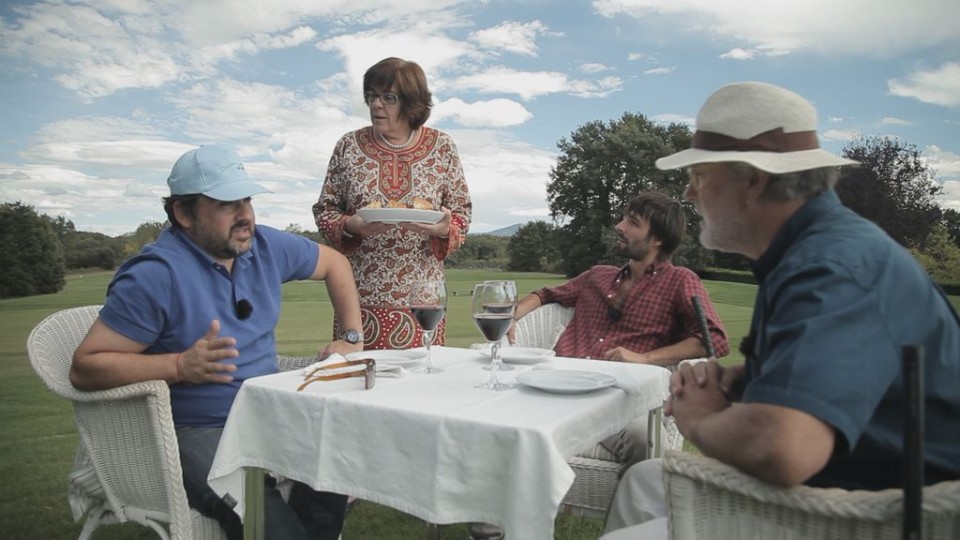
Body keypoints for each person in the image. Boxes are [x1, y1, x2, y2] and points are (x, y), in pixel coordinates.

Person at [602, 82, 960, 538]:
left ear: (752, 182)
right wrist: (745, 382)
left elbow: (785, 448)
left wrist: (700, 417)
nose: (690, 194)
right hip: (852, 486)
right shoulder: (809, 252)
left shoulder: (830, 268)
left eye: (701, 175)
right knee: (642, 484)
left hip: (883, 513)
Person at [70, 145, 364, 540]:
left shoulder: (264, 246)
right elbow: (85, 367)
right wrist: (177, 366)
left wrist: (350, 337)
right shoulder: (155, 275)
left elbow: (336, 263)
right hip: (199, 430)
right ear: (184, 214)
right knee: (262, 520)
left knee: (335, 464)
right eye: (227, 203)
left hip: (267, 412)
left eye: (246, 199)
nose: (245, 214)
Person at [512, 191, 730, 464]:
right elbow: (547, 294)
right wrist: (513, 313)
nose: (619, 226)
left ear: (657, 239)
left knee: (646, 442)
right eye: (624, 218)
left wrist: (645, 358)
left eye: (633, 223)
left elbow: (715, 340)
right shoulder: (597, 276)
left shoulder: (680, 281)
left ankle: (635, 506)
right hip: (557, 389)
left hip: (617, 403)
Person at [313, 56, 472, 350]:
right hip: (358, 300)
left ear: (412, 102)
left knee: (420, 384)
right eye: (372, 96)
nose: (376, 105)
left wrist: (443, 230)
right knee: (359, 384)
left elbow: (462, 213)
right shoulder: (348, 146)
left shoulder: (443, 147)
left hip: (425, 302)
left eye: (388, 97)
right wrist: (352, 225)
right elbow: (325, 210)